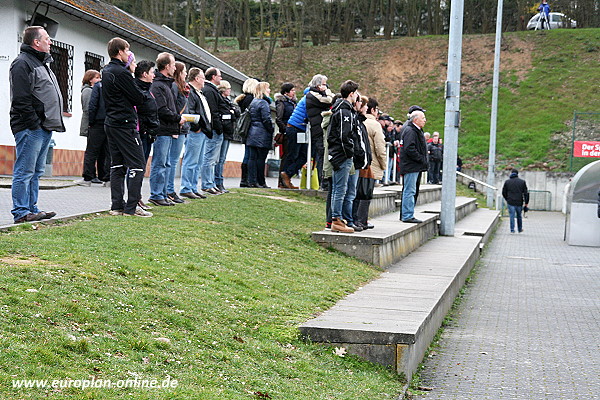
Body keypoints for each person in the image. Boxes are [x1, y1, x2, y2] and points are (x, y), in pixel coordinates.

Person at [9, 26, 63, 223]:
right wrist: (34, 123)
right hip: (30, 127)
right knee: (24, 171)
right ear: (36, 42)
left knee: (36, 171)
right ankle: (21, 212)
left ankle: (32, 208)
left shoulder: (42, 63)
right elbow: (21, 99)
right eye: (47, 39)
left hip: (44, 127)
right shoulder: (22, 64)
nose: (50, 42)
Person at [102, 38, 151, 217]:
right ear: (121, 51)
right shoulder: (121, 73)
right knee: (137, 164)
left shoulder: (106, 70)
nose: (130, 54)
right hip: (124, 124)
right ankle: (131, 207)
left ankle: (116, 206)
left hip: (111, 122)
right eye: (128, 50)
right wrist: (132, 73)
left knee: (117, 165)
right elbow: (138, 98)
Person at [148, 52, 185, 206]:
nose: (175, 66)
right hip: (162, 130)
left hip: (169, 130)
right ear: (166, 66)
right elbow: (162, 109)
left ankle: (162, 193)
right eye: (173, 63)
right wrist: (178, 118)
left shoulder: (167, 84)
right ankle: (156, 195)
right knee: (160, 163)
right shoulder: (158, 85)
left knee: (166, 164)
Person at [328, 80, 361, 233]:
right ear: (351, 94)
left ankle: (337, 218)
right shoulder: (344, 112)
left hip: (340, 154)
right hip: (341, 156)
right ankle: (336, 219)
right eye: (356, 94)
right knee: (340, 189)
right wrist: (350, 152)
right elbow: (344, 135)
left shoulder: (344, 110)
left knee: (338, 188)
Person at [179, 67, 211, 199]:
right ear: (197, 78)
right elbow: (190, 111)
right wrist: (197, 127)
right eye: (203, 78)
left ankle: (192, 187)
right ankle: (186, 187)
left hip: (202, 131)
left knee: (197, 161)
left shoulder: (199, 92)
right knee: (191, 160)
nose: (204, 81)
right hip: (195, 131)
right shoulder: (191, 92)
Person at [165, 61, 190, 204]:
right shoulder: (175, 87)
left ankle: (169, 189)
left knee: (173, 161)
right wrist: (176, 126)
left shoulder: (181, 88)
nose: (186, 74)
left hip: (181, 127)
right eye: (184, 71)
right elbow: (174, 107)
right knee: (172, 161)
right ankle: (169, 190)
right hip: (177, 127)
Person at [201, 67, 228, 195]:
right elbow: (213, 111)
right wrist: (218, 127)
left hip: (215, 129)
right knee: (210, 158)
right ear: (213, 77)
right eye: (219, 76)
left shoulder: (211, 90)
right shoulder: (210, 91)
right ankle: (207, 184)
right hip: (214, 129)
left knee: (213, 159)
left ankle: (210, 183)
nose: (221, 78)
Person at [305, 74, 334, 189]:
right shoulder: (312, 95)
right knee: (321, 155)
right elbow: (329, 100)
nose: (326, 86)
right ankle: (324, 183)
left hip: (321, 127)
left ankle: (325, 181)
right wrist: (328, 91)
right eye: (323, 84)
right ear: (317, 85)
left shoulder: (317, 94)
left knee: (324, 154)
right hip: (318, 129)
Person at [399, 110, 428, 223]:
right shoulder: (411, 131)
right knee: (409, 190)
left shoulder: (416, 130)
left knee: (411, 190)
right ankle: (407, 215)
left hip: (414, 165)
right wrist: (421, 159)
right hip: (411, 165)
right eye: (423, 118)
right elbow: (409, 148)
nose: (425, 120)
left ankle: (408, 213)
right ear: (415, 119)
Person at [281, 85, 311, 190]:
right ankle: (286, 177)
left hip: (299, 128)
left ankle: (287, 175)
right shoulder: (310, 99)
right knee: (293, 154)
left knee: (302, 155)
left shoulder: (306, 98)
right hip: (296, 128)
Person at [246, 82, 275, 188]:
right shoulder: (264, 103)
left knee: (252, 158)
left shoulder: (254, 102)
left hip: (252, 132)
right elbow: (266, 119)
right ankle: (260, 181)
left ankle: (252, 181)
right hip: (262, 134)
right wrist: (271, 129)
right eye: (268, 88)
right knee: (261, 159)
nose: (270, 90)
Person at [235, 78, 259, 187]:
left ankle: (244, 179)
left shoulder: (243, 99)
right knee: (250, 155)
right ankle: (246, 179)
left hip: (245, 130)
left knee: (247, 155)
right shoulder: (251, 99)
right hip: (250, 130)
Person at [134, 60, 159, 163]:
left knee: (142, 163)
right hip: (142, 133)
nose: (154, 75)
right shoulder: (138, 90)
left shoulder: (147, 90)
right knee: (137, 165)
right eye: (152, 72)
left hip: (148, 133)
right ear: (144, 74)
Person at [215, 80, 237, 193]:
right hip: (223, 131)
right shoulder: (221, 101)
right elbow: (229, 115)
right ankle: (218, 182)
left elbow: (236, 113)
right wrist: (231, 113)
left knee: (222, 159)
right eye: (228, 88)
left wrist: (232, 113)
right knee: (219, 159)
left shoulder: (228, 101)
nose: (230, 91)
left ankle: (219, 181)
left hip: (228, 132)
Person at [275, 82, 297, 189]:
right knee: (286, 157)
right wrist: (286, 129)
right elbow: (278, 118)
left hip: (292, 132)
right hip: (287, 133)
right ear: (286, 92)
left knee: (291, 155)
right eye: (292, 90)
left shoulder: (293, 102)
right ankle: (281, 181)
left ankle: (286, 179)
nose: (294, 92)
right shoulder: (281, 102)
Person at [502, 169, 529, 233]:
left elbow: (503, 192)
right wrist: (526, 203)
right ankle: (519, 229)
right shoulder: (522, 182)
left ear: (511, 173)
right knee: (519, 216)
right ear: (517, 174)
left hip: (510, 201)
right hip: (519, 202)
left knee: (512, 215)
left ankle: (512, 229)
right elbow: (526, 193)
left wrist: (507, 198)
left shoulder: (507, 182)